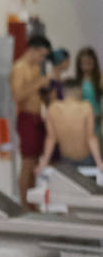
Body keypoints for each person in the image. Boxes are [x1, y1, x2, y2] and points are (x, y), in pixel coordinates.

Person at [10, 35, 65, 207]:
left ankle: (32, 205)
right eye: (41, 55)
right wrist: (40, 82)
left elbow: (36, 92)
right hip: (27, 117)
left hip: (37, 117)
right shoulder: (20, 67)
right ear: (33, 49)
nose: (42, 59)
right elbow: (17, 96)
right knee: (28, 162)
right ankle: (25, 206)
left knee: (34, 163)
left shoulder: (34, 68)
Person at [37, 79, 103, 173]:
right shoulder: (86, 107)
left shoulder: (53, 108)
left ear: (64, 92)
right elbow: (91, 138)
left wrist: (44, 162)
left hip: (67, 158)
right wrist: (99, 162)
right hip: (84, 158)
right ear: (80, 91)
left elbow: (51, 138)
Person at [76, 46, 102, 142]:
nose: (86, 66)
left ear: (94, 63)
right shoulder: (77, 82)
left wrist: (99, 115)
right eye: (83, 63)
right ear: (79, 65)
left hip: (96, 124)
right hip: (81, 125)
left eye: (89, 63)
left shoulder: (100, 80)